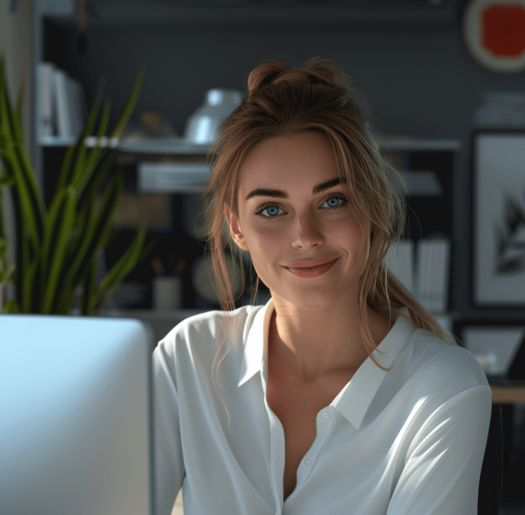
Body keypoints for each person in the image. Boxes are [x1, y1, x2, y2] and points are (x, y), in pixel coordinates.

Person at [152, 57, 493, 515]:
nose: (305, 236)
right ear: (236, 227)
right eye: (271, 209)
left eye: (332, 201)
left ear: (371, 207)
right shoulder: (187, 359)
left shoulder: (442, 389)